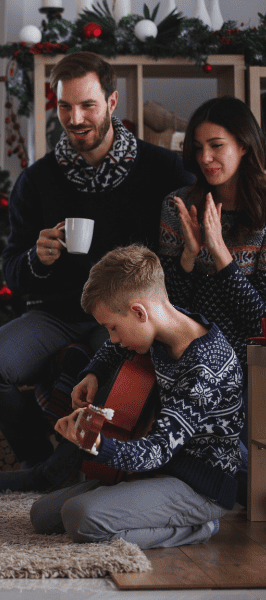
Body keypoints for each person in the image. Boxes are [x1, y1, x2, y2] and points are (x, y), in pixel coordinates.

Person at [0, 51, 194, 492]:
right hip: (56, 313)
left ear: (112, 103)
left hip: (122, 313)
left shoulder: (163, 170)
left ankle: (63, 467)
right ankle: (39, 461)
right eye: (64, 107)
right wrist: (36, 259)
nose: (75, 118)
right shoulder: (37, 181)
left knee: (117, 372)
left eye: (88, 105)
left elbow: (183, 256)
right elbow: (12, 272)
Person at [30, 244, 243, 549]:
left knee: (80, 518)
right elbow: (113, 348)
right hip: (161, 470)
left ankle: (198, 528)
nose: (113, 338)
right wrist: (94, 373)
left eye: (112, 327)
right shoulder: (162, 323)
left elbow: (156, 449)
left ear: (139, 311)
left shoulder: (203, 368)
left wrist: (92, 441)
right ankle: (129, 505)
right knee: (43, 515)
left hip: (199, 486)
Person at [159, 95, 266, 453]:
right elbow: (169, 306)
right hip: (187, 345)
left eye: (217, 146)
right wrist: (189, 256)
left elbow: (261, 321)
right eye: (199, 147)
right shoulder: (180, 205)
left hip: (245, 355)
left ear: (245, 146)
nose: (205, 158)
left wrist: (221, 255)